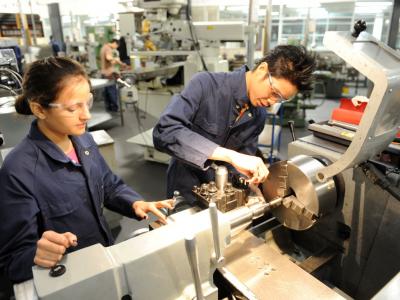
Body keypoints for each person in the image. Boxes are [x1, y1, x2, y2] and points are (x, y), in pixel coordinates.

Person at [0, 57, 174, 287]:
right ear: (39, 109)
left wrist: (133, 203)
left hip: (104, 258)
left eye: (88, 102)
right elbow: (12, 260)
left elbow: (109, 184)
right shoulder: (18, 171)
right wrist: (37, 254)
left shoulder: (84, 140)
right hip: (70, 281)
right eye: (73, 108)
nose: (87, 115)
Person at [153, 45, 315, 205]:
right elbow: (165, 132)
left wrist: (251, 183)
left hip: (222, 195)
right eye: (274, 93)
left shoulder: (258, 115)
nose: (272, 102)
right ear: (262, 70)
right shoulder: (205, 85)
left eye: (280, 99)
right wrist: (232, 156)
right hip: (186, 189)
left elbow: (239, 167)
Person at [100, 38, 126, 112]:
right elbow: (109, 58)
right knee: (112, 91)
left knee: (107, 92)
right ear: (114, 43)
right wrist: (116, 61)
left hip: (103, 72)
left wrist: (119, 63)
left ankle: (108, 107)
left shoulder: (103, 47)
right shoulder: (108, 48)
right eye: (116, 46)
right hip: (109, 73)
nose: (116, 48)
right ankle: (115, 108)